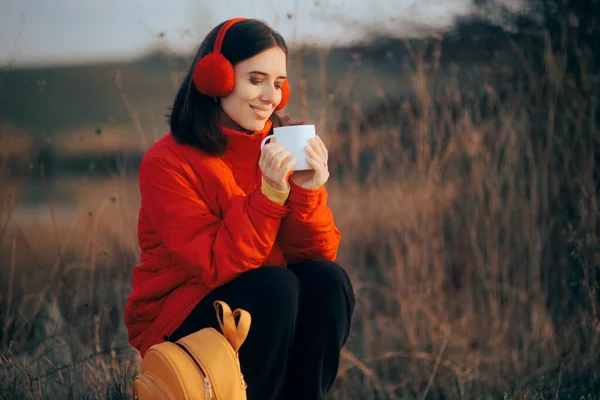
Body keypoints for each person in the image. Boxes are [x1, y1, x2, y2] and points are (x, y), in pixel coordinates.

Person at [124, 17, 355, 400]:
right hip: (180, 314)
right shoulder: (166, 163)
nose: (271, 96)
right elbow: (217, 266)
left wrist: (308, 193)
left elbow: (314, 258)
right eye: (256, 79)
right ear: (215, 79)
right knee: (276, 286)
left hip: (266, 296)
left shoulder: (278, 148)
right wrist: (267, 197)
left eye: (279, 83)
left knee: (327, 280)